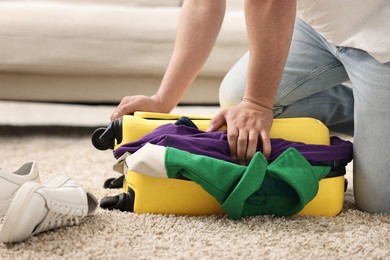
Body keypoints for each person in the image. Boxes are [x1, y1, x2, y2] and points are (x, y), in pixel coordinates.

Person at [111, 1, 390, 214]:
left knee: (380, 202)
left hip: (382, 37)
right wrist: (163, 98)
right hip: (320, 26)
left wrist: (257, 103)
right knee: (237, 97)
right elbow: (201, 5)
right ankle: (365, 110)